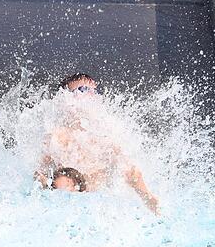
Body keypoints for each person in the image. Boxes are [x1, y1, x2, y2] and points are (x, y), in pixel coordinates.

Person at [34, 73, 160, 214]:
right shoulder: (57, 137)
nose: (90, 96)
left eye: (93, 91)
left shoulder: (106, 136)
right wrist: (48, 184)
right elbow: (39, 177)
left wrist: (147, 196)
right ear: (66, 100)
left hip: (100, 205)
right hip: (69, 206)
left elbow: (130, 171)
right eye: (82, 90)